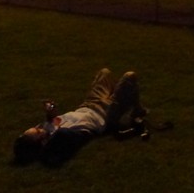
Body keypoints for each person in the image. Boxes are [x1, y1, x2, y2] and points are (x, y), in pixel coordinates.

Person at [13, 68, 147, 166]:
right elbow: (61, 135)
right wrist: (44, 149)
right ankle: (135, 108)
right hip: (106, 114)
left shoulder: (47, 128)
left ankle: (130, 102)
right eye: (37, 131)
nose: (38, 126)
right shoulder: (63, 139)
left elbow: (53, 121)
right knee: (130, 77)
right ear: (43, 142)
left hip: (89, 104)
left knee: (104, 73)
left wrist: (51, 112)